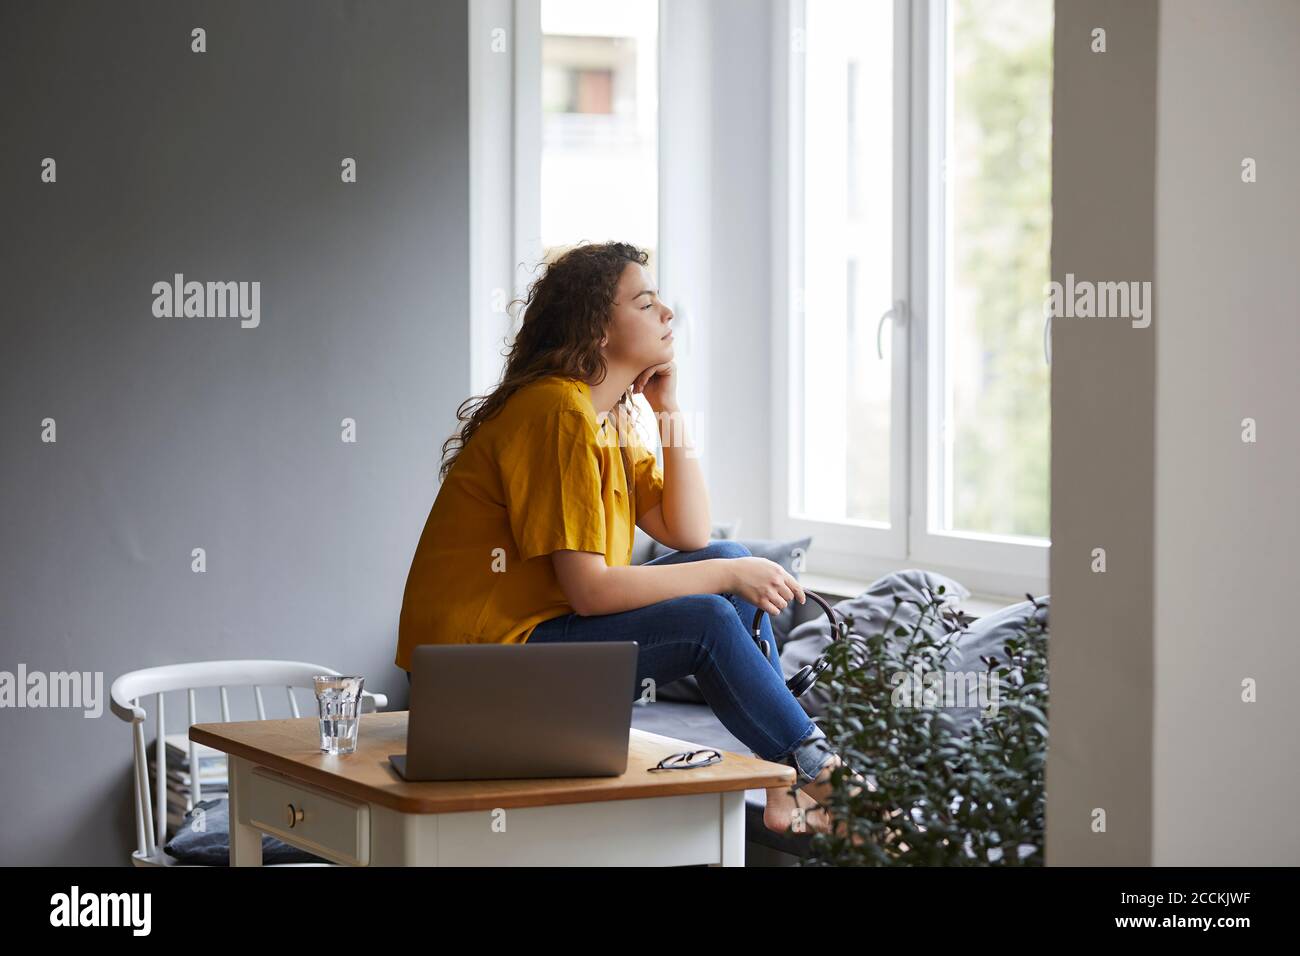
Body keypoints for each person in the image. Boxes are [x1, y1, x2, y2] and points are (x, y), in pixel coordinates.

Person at [396, 240, 861, 836]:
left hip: (526, 653)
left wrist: (667, 406)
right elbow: (589, 592)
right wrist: (723, 577)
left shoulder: (604, 416)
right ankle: (819, 773)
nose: (668, 313)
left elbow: (688, 533)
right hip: (472, 680)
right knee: (709, 614)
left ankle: (786, 782)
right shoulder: (555, 413)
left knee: (728, 556)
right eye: (645, 303)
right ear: (596, 329)